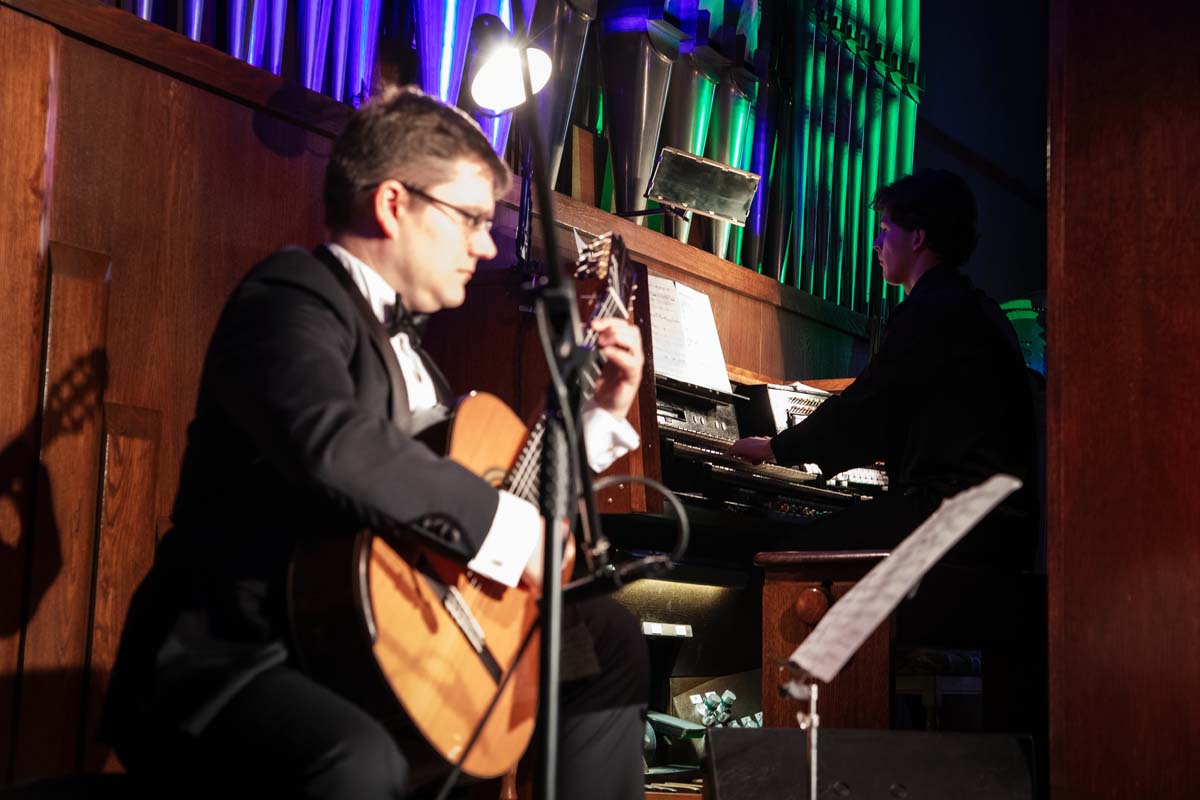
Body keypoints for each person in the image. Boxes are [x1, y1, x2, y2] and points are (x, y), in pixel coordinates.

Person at [100, 86, 649, 799]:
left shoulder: (416, 354)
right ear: (393, 204)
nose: (487, 247)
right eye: (472, 219)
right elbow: (336, 442)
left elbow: (499, 510)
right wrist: (510, 531)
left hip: (367, 642)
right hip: (235, 656)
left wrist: (596, 415)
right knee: (363, 761)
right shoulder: (289, 296)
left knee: (606, 640)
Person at [730, 169, 1038, 568]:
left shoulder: (929, 311)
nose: (877, 244)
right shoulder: (979, 310)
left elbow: (867, 409)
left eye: (885, 229)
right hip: (1002, 524)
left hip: (952, 518)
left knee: (780, 556)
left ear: (917, 237)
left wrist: (775, 447)